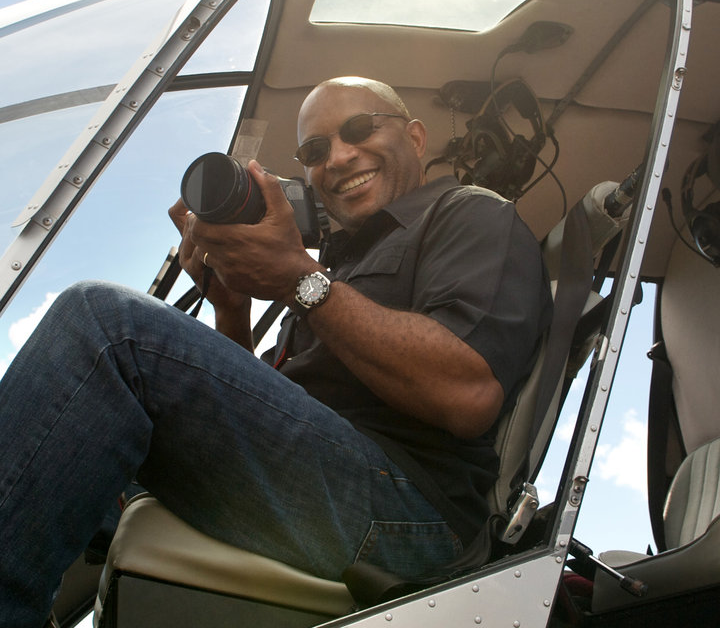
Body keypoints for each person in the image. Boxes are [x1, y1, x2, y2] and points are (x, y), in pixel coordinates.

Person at [0, 77, 552, 628]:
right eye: (315, 151)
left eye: (359, 130)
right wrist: (232, 307)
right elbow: (268, 413)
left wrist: (299, 278)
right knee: (76, 429)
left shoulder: (470, 214)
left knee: (106, 324)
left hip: (412, 513)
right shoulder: (342, 270)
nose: (337, 158)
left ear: (415, 137)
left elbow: (467, 391)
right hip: (335, 482)